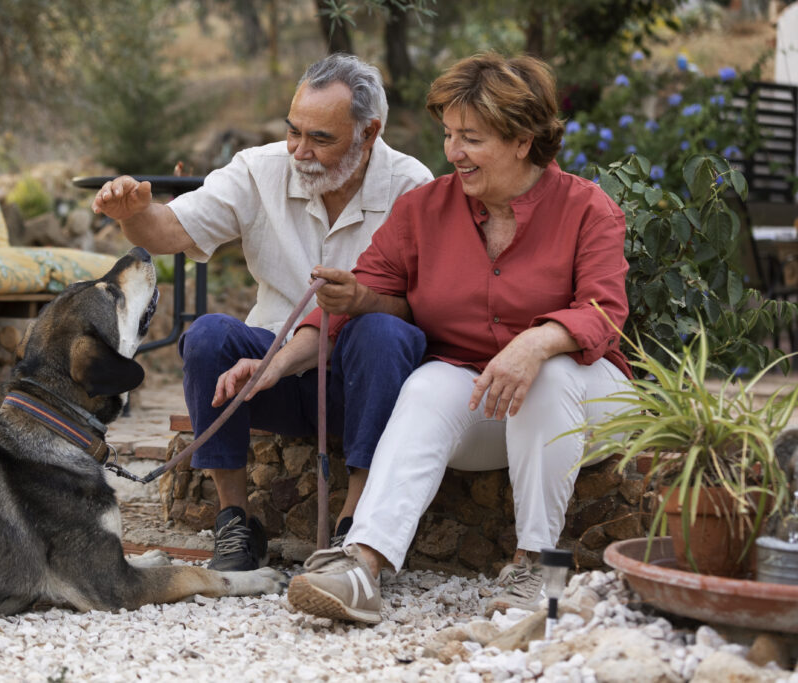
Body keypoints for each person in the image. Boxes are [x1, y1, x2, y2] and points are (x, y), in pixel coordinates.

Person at [216, 52, 632, 622]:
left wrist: (533, 343)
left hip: (588, 398)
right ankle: (361, 566)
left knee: (549, 373)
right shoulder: (424, 210)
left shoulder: (588, 209)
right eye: (449, 135)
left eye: (472, 138)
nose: (453, 152)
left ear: (523, 141)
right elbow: (355, 299)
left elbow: (604, 312)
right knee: (430, 384)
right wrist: (276, 365)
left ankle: (541, 564)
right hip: (485, 399)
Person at [91, 53, 433, 572]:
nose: (300, 150)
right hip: (268, 378)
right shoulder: (260, 167)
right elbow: (169, 232)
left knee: (383, 333)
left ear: (369, 132)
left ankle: (354, 526)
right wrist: (135, 214)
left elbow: (422, 308)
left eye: (321, 138)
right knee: (208, 336)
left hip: (362, 383)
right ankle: (235, 522)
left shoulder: (413, 185)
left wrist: (361, 303)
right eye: (294, 131)